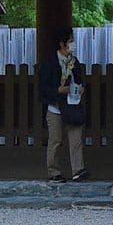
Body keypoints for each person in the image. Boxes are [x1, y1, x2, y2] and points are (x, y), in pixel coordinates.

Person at [40, 30, 89, 182]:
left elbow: (80, 80)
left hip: (72, 104)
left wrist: (81, 88)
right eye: (70, 41)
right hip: (55, 107)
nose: (73, 44)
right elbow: (42, 87)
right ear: (62, 44)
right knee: (55, 141)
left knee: (76, 139)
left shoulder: (75, 62)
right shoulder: (50, 63)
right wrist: (57, 90)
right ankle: (54, 172)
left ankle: (78, 170)